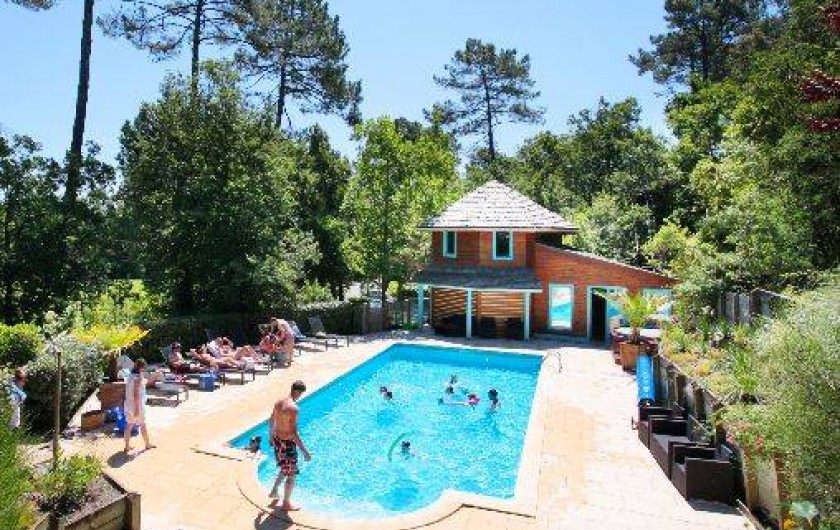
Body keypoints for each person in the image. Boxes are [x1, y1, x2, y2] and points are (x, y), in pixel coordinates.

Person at [268, 380, 312, 510]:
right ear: (297, 392)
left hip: (277, 440)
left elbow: (271, 420)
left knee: (284, 467)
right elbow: (293, 433)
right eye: (301, 394)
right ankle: (286, 503)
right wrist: (305, 451)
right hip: (287, 444)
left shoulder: (279, 402)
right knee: (291, 474)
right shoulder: (293, 409)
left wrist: (271, 437)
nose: (300, 396)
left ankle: (274, 490)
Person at [123, 359, 155, 454]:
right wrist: (137, 408)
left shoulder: (130, 376)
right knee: (142, 424)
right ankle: (147, 444)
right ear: (141, 367)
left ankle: (127, 446)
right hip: (136, 405)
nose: (144, 370)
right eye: (144, 368)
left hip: (128, 403)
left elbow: (141, 384)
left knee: (129, 425)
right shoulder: (137, 377)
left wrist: (153, 377)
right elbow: (136, 393)